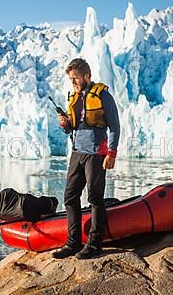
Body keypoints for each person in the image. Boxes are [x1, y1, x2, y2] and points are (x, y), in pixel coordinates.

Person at [51, 58, 120, 259]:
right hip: (77, 153)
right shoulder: (74, 97)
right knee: (70, 197)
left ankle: (94, 244)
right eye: (70, 79)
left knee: (95, 199)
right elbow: (70, 129)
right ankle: (73, 243)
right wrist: (64, 124)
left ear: (87, 76)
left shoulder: (103, 96)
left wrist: (112, 153)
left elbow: (114, 126)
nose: (73, 83)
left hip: (96, 154)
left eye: (76, 79)